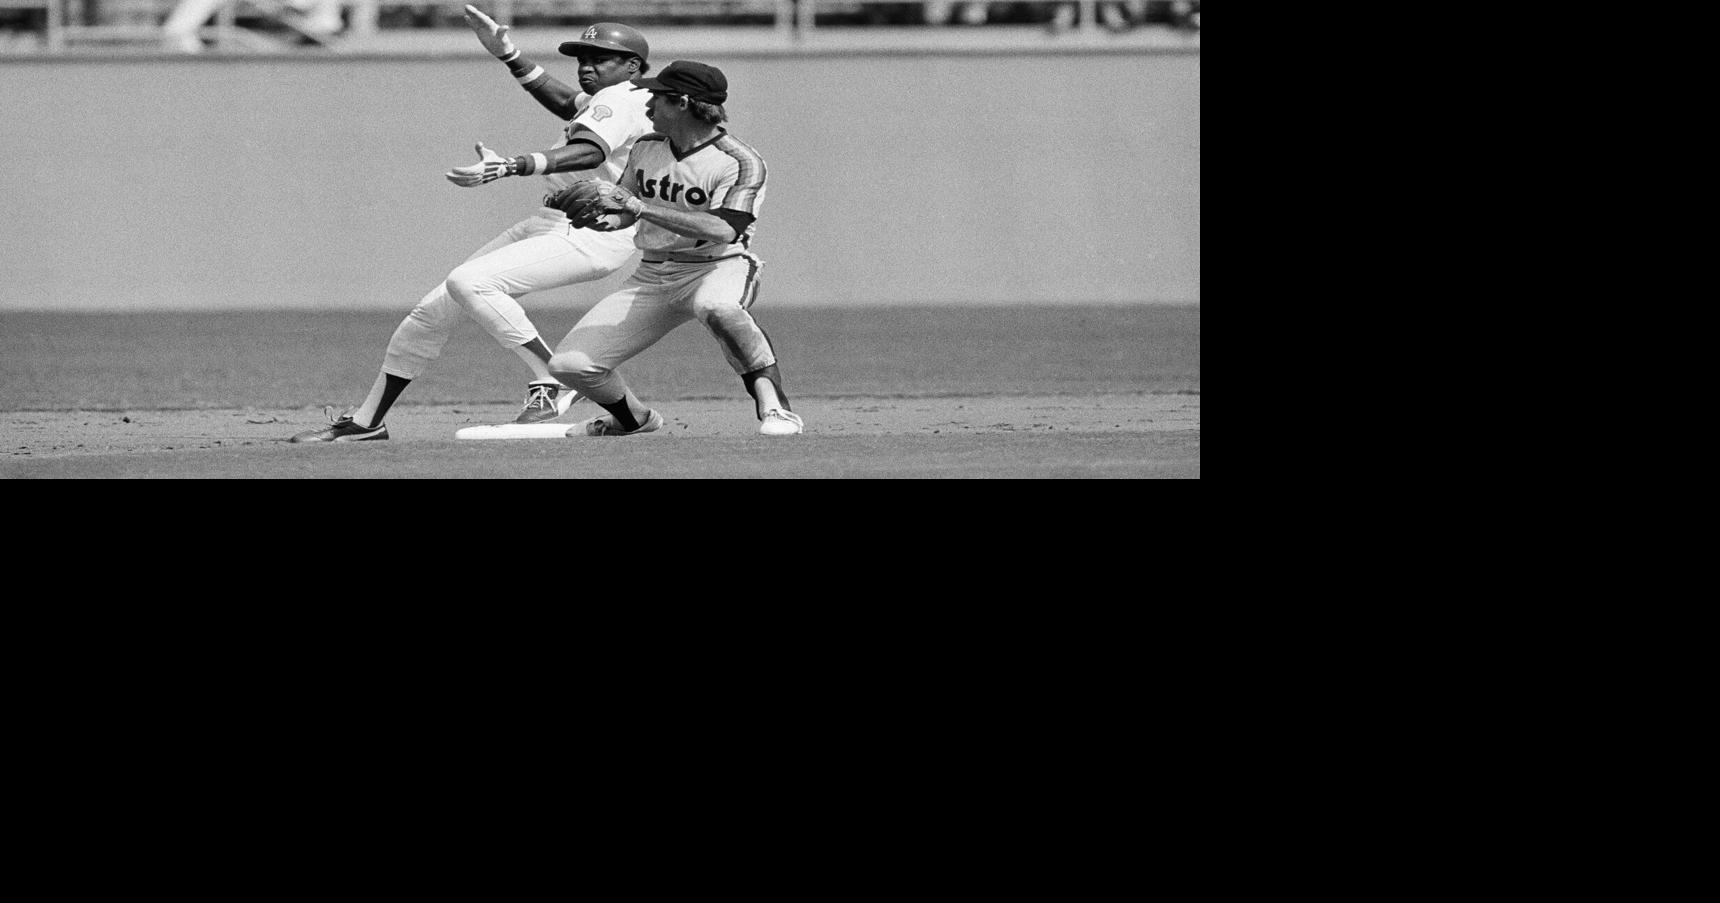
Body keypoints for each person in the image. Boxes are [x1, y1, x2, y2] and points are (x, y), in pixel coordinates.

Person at [291, 5, 655, 442]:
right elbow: (566, 104)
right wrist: (509, 54)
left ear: (632, 65)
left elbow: (590, 151)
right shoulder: (617, 100)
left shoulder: (620, 99)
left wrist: (516, 164)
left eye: (600, 58)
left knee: (470, 282)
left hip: (592, 230)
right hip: (558, 221)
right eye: (582, 57)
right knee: (432, 310)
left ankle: (553, 376)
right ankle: (368, 423)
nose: (587, 65)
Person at [548, 60, 803, 438]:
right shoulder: (647, 147)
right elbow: (626, 208)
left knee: (718, 307)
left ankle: (777, 408)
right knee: (569, 365)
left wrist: (639, 207)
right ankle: (633, 419)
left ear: (683, 102)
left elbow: (723, 229)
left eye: (657, 97)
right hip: (653, 273)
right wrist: (599, 219)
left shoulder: (740, 161)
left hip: (717, 266)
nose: (648, 105)